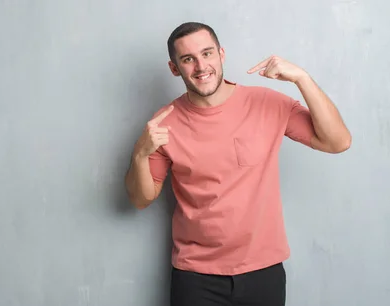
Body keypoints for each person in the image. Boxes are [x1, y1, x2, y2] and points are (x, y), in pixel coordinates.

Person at [124, 22, 351, 306]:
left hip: (263, 271)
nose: (200, 66)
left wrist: (301, 78)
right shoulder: (163, 122)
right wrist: (140, 154)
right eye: (187, 59)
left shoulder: (267, 103)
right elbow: (140, 199)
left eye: (207, 54)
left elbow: (338, 142)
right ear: (174, 68)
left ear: (221, 54)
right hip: (195, 277)